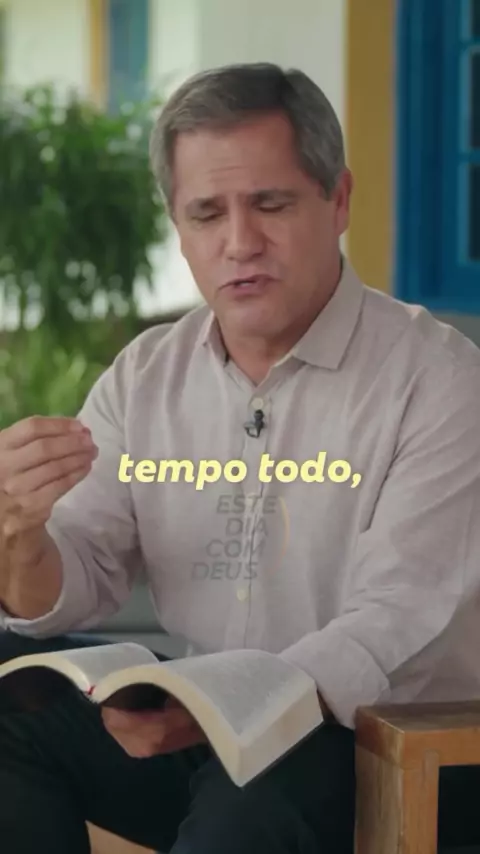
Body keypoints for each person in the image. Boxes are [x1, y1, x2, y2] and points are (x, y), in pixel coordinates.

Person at [1, 62, 480, 854]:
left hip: (383, 747)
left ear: (338, 201)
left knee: (257, 787)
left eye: (270, 204)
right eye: (207, 213)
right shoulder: (146, 375)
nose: (240, 243)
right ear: (178, 226)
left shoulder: (441, 381)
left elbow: (393, 622)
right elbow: (79, 574)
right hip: (204, 728)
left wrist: (228, 704)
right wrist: (20, 534)